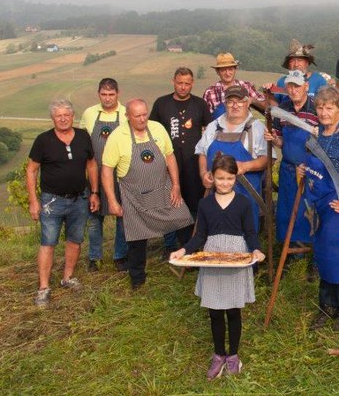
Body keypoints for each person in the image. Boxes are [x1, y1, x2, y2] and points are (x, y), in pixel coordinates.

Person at [169, 155, 265, 380]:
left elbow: (250, 232)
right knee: (215, 311)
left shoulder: (242, 203)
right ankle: (218, 354)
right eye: (220, 178)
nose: (224, 183)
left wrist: (256, 250)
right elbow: (200, 235)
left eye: (229, 178)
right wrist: (183, 251)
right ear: (212, 177)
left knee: (233, 310)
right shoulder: (205, 204)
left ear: (235, 177)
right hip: (212, 256)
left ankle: (233, 355)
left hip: (236, 255)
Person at [102, 99, 193, 289]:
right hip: (134, 198)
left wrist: (176, 185)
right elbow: (107, 170)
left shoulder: (158, 128)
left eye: (145, 114)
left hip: (163, 189)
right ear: (127, 116)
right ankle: (138, 279)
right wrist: (112, 200)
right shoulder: (118, 136)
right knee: (136, 238)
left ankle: (193, 264)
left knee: (184, 220)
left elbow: (169, 156)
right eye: (137, 116)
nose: (143, 119)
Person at [297, 86, 339, 330]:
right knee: (323, 256)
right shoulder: (318, 135)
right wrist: (303, 170)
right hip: (318, 207)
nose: (324, 113)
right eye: (320, 108)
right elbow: (313, 164)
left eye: (329, 108)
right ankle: (328, 306)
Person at [27, 99, 98, 307]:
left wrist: (94, 192)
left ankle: (67, 278)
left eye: (67, 114)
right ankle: (43, 288)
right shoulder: (43, 140)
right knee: (48, 242)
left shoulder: (83, 136)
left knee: (75, 240)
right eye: (59, 115)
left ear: (73, 116)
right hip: (52, 201)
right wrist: (33, 200)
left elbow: (91, 165)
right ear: (52, 118)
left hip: (80, 198)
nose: (63, 118)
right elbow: (31, 170)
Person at [150, 67, 211, 258]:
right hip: (168, 164)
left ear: (192, 83)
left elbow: (208, 132)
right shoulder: (161, 104)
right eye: (180, 83)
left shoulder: (200, 104)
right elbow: (151, 132)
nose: (183, 87)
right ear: (173, 82)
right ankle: (169, 246)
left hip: (194, 164)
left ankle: (192, 244)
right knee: (169, 203)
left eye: (187, 83)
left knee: (194, 204)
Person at [265, 69, 319, 277]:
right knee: (288, 214)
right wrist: (273, 139)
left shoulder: (315, 108)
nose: (293, 90)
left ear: (306, 86)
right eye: (290, 86)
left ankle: (314, 257)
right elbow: (281, 141)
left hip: (312, 170)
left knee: (312, 212)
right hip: (288, 169)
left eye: (297, 86)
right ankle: (290, 253)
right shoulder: (283, 109)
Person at [196, 86, 269, 232]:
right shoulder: (214, 126)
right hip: (216, 195)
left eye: (240, 101)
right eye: (231, 101)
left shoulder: (257, 128)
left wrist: (245, 166)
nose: (235, 105)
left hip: (245, 195)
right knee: (216, 234)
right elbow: (202, 153)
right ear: (225, 104)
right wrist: (203, 173)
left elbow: (267, 159)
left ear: (247, 103)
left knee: (245, 237)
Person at [80, 78, 128, 271]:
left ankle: (120, 256)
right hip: (94, 174)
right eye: (103, 95)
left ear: (118, 94)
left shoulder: (125, 114)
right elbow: (83, 143)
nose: (107, 99)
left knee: (122, 217)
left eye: (111, 94)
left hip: (120, 175)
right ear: (98, 94)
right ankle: (95, 257)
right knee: (94, 218)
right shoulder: (89, 113)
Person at [202, 52, 266, 117]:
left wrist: (252, 100)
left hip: (244, 126)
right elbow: (204, 118)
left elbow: (266, 108)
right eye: (223, 70)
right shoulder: (210, 92)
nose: (227, 73)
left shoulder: (246, 86)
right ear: (217, 72)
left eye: (230, 69)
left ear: (235, 69)